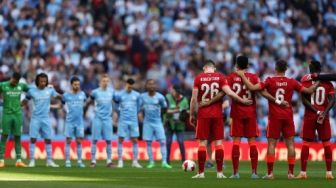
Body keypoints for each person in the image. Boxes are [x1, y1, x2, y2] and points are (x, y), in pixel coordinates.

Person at [236, 60, 319, 179]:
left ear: (275, 68)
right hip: (288, 116)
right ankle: (290, 173)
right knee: (290, 144)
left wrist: (242, 75)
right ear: (286, 69)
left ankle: (270, 174)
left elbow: (252, 87)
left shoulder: (270, 80)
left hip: (274, 117)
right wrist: (319, 81)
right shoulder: (291, 82)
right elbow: (309, 91)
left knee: (271, 144)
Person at [189, 60, 252, 179]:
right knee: (218, 143)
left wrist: (192, 114)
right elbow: (230, 93)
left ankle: (201, 173)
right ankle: (219, 173)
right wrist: (242, 100)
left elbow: (193, 99)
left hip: (203, 114)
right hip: (217, 114)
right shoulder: (221, 77)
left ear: (204, 68)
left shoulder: (198, 78)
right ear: (214, 68)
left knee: (202, 143)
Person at [297, 60, 335, 180]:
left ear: (311, 68)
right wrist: (324, 112)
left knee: (306, 143)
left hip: (310, 114)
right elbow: (333, 100)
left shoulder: (305, 80)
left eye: (310, 65)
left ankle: (303, 173)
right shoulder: (328, 82)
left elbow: (304, 101)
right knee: (327, 143)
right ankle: (329, 173)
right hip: (323, 116)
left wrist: (316, 111)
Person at [24, 73, 60, 167]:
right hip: (35, 118)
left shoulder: (50, 90)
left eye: (45, 81)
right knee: (33, 139)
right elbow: (25, 101)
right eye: (41, 81)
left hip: (46, 118)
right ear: (37, 81)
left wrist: (67, 97)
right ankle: (32, 161)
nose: (43, 83)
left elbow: (58, 96)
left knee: (48, 139)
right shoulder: (32, 91)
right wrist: (17, 105)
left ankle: (49, 161)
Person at [0, 72, 29, 168]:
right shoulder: (3, 85)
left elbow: (33, 91)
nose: (15, 83)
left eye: (17, 82)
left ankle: (19, 161)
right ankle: (1, 160)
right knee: (4, 136)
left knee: (18, 137)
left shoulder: (21, 86)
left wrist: (26, 100)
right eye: (14, 81)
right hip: (6, 114)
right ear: (11, 78)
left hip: (17, 114)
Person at [141, 79, 172, 168]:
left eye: (153, 84)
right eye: (149, 84)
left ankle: (164, 162)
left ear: (155, 86)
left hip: (158, 122)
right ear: (146, 86)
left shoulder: (160, 97)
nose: (151, 86)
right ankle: (151, 162)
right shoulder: (142, 97)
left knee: (162, 141)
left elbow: (165, 108)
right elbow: (139, 107)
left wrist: (162, 117)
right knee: (149, 142)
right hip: (147, 123)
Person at [115, 78, 142, 168]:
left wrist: (135, 113)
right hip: (123, 120)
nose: (130, 86)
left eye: (131, 85)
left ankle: (135, 161)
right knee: (120, 139)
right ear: (126, 84)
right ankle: (120, 161)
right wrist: (120, 113)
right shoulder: (120, 94)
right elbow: (116, 105)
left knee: (135, 140)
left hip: (133, 120)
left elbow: (139, 106)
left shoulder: (137, 95)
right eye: (128, 84)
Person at [62, 76, 88, 168]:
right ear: (71, 84)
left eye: (78, 84)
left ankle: (79, 161)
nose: (77, 86)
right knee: (68, 141)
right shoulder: (66, 95)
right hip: (70, 122)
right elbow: (61, 104)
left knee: (79, 141)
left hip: (80, 122)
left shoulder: (82, 94)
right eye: (75, 84)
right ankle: (67, 161)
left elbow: (86, 103)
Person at [89, 74, 114, 168]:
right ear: (100, 82)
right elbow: (89, 101)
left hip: (107, 118)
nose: (105, 83)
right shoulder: (95, 92)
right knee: (95, 140)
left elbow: (114, 103)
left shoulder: (112, 91)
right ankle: (93, 161)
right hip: (98, 118)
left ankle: (109, 161)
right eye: (104, 81)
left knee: (108, 140)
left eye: (107, 81)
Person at [165, 85, 189, 164]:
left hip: (180, 124)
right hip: (169, 122)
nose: (177, 94)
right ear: (172, 90)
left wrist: (185, 113)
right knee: (168, 142)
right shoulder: (168, 97)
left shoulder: (184, 100)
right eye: (176, 92)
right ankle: (167, 161)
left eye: (178, 92)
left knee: (181, 141)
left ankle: (184, 161)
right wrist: (177, 110)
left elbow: (188, 111)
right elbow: (166, 110)